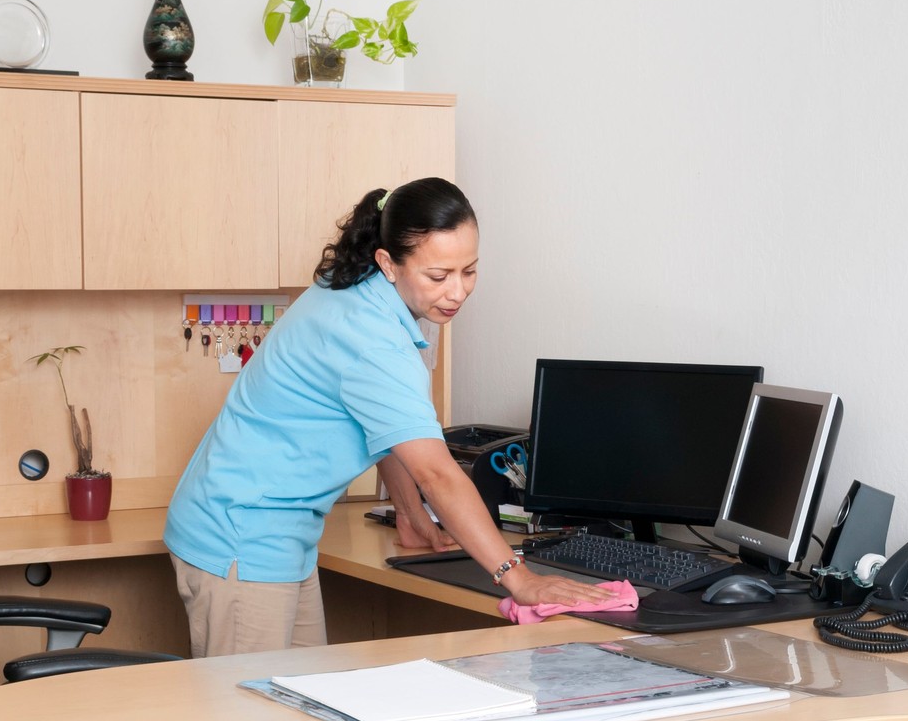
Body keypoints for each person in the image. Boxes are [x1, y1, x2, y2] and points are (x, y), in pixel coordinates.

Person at [164, 177, 611, 657]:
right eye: (438, 276)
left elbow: (386, 428)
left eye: (470, 271)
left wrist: (411, 514)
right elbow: (438, 473)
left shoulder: (356, 291)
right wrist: (518, 579)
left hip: (273, 532)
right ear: (387, 263)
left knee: (296, 715)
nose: (457, 292)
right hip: (242, 537)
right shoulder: (371, 339)